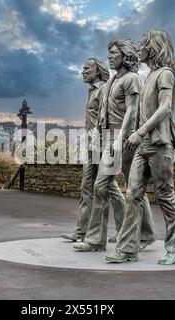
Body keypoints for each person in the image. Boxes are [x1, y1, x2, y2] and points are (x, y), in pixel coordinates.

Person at [106, 30, 175, 265]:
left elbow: (165, 109)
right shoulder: (149, 76)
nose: (139, 48)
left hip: (160, 144)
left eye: (143, 44)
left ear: (154, 47)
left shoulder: (166, 75)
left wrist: (140, 132)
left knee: (165, 196)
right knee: (132, 194)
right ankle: (128, 249)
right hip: (144, 145)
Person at [74, 37, 156, 252]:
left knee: (134, 188)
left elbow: (133, 109)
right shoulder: (111, 81)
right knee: (103, 186)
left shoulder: (132, 79)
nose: (109, 57)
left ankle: (145, 234)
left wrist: (120, 139)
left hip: (124, 140)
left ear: (125, 55)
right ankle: (96, 240)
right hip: (109, 138)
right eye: (109, 53)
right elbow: (103, 111)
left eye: (113, 53)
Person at [60, 57, 124, 243]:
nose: (83, 71)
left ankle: (124, 230)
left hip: (102, 145)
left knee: (110, 188)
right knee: (86, 188)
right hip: (90, 145)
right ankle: (81, 232)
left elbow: (110, 118)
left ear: (97, 71)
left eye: (87, 68)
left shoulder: (104, 89)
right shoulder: (92, 91)